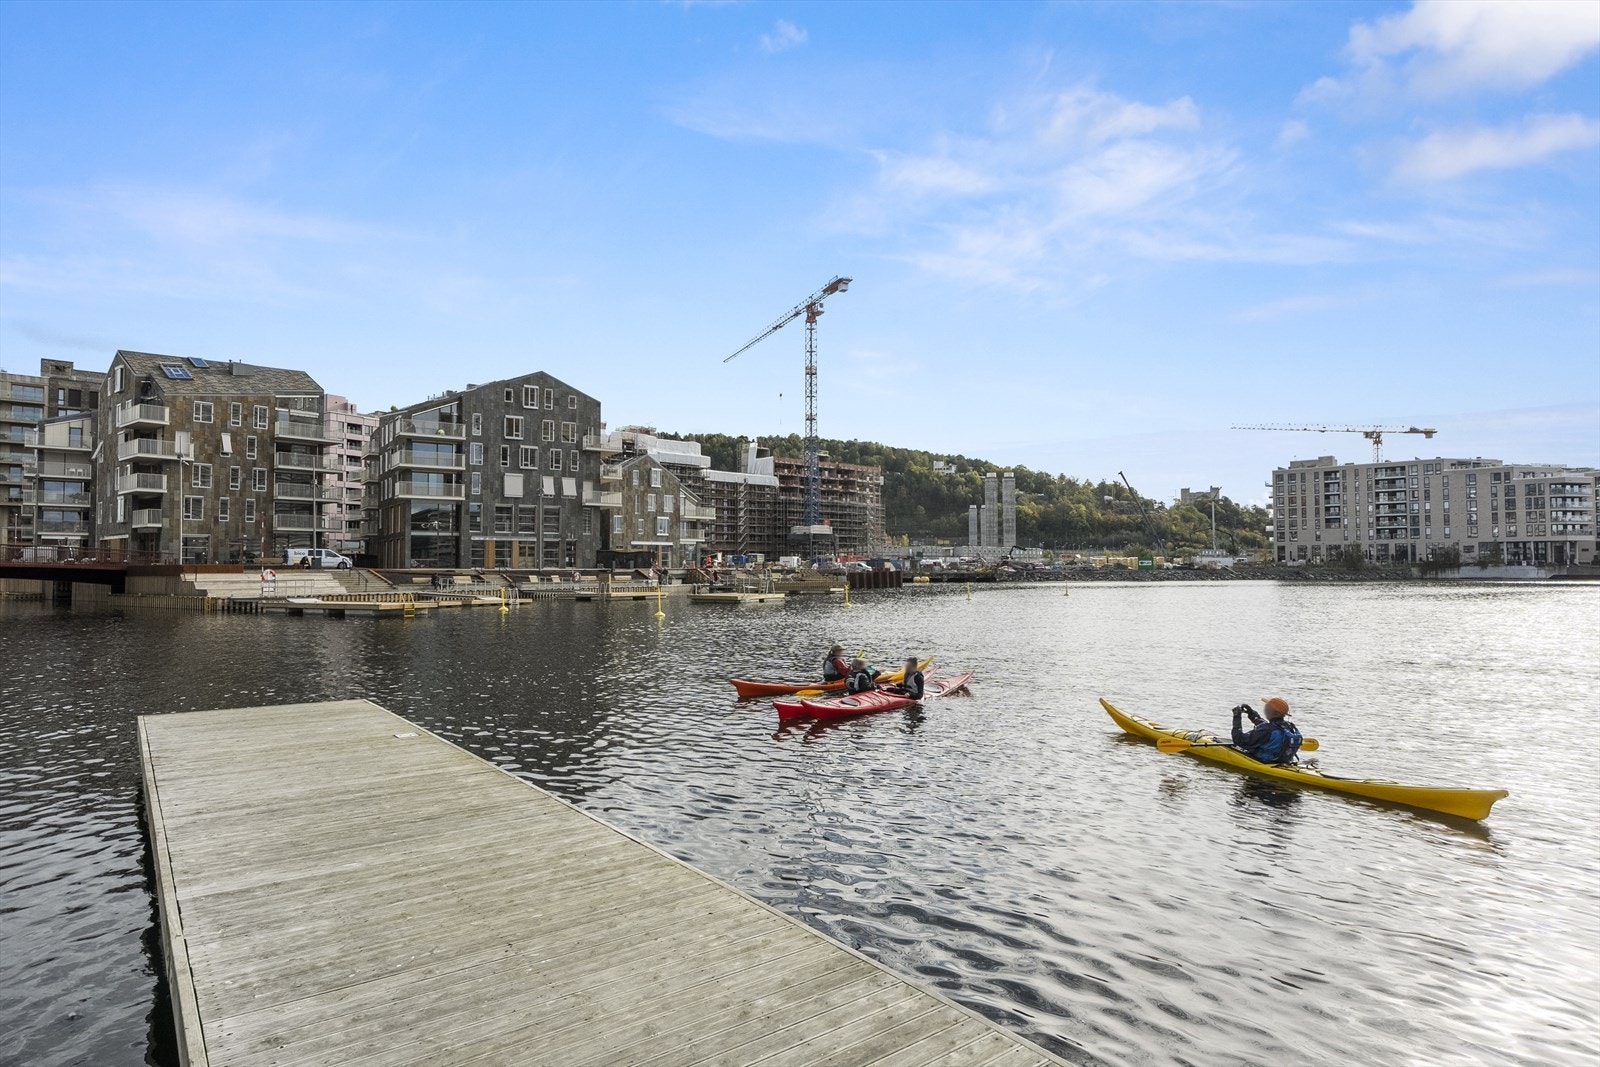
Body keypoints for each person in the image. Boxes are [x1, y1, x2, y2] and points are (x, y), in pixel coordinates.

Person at [1231, 697, 1303, 764]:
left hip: (1263, 762)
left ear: (1276, 713)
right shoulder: (1289, 726)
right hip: (1281, 761)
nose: (1265, 709)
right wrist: (1252, 714)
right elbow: (1265, 725)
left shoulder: (1266, 729)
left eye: (1267, 707)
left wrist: (1237, 717)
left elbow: (1238, 740)